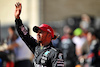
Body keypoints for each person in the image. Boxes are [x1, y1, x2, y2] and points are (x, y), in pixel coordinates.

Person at [14, 2, 64, 67]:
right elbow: (24, 35)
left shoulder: (55, 53)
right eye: (37, 32)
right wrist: (17, 19)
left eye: (41, 32)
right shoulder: (37, 47)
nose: (37, 34)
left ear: (49, 35)